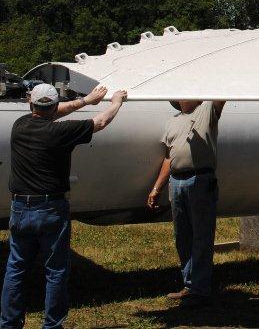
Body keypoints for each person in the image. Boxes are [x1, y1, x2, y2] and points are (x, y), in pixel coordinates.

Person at [2, 83, 126, 329]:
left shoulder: (20, 125)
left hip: (20, 208)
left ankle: (9, 323)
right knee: (55, 270)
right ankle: (52, 325)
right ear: (55, 105)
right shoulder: (61, 132)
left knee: (16, 269)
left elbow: (51, 113)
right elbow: (99, 123)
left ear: (30, 104)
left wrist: (86, 100)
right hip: (50, 209)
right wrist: (116, 103)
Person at [146, 99, 226, 305]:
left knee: (201, 234)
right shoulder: (172, 122)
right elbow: (168, 159)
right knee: (182, 235)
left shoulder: (206, 110)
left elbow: (220, 95)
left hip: (200, 179)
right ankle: (190, 284)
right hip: (177, 180)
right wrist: (157, 188)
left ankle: (199, 288)